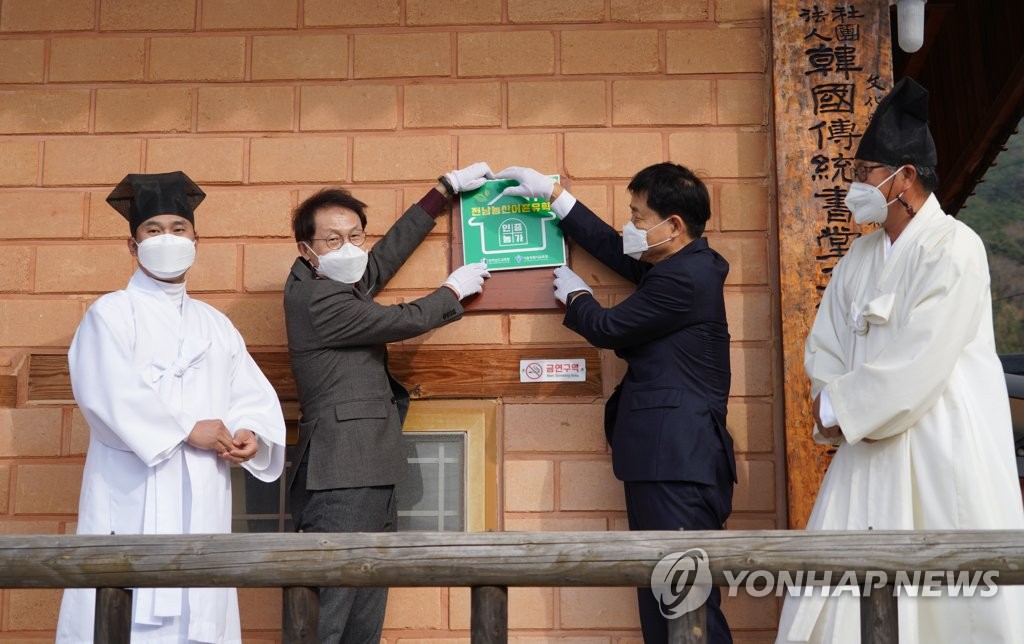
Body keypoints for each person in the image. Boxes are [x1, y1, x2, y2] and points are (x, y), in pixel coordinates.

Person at [775, 78, 1024, 643]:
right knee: (837, 596)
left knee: (951, 603)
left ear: (903, 177)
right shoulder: (858, 258)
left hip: (938, 445)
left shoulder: (955, 248)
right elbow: (826, 343)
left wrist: (843, 404)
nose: (856, 184)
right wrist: (831, 401)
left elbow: (922, 356)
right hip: (863, 449)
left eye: (865, 172)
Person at [494, 163, 737, 644]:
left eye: (639, 217)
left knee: (684, 598)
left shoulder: (683, 278)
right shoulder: (678, 265)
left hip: (677, 465)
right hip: (663, 461)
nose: (632, 225)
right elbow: (612, 248)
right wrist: (555, 196)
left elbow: (607, 328)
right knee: (660, 593)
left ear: (674, 225)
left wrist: (579, 298)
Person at [56, 171, 287, 643]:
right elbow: (107, 395)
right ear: (132, 244)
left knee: (200, 602)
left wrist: (251, 433)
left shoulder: (216, 324)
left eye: (178, 229)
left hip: (201, 491)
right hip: (130, 490)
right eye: (153, 230)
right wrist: (185, 428)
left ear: (196, 239)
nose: (168, 239)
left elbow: (249, 394)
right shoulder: (110, 313)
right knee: (120, 606)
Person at [284, 163, 494, 643]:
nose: (349, 248)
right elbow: (401, 320)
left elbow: (381, 260)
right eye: (333, 240)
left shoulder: (331, 281)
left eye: (355, 236)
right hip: (341, 472)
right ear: (306, 249)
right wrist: (453, 291)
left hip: (370, 466)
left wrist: (441, 193)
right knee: (330, 608)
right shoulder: (317, 301)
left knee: (366, 604)